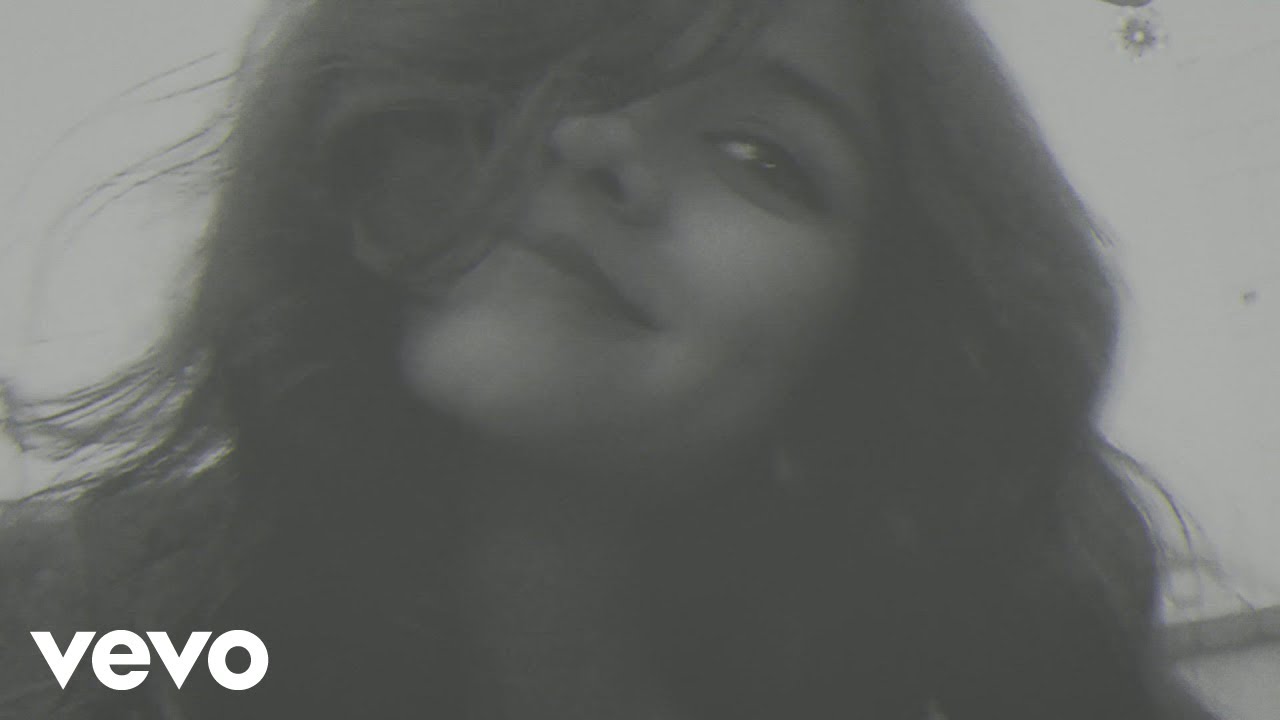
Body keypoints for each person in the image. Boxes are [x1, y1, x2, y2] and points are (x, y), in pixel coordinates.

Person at [0, 0, 1218, 718]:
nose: (596, 145)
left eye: (757, 154)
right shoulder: (70, 628)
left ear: (873, 343)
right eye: (550, 73)